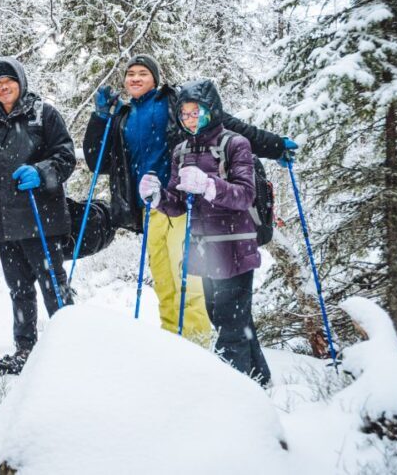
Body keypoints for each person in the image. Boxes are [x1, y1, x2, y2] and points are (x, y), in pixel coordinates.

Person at [83, 54, 297, 343]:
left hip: (184, 204)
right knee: (164, 283)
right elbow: (97, 162)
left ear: (156, 79)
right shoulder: (122, 117)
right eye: (130, 73)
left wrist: (274, 146)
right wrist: (100, 119)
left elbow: (227, 125)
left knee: (190, 283)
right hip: (151, 208)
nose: (135, 78)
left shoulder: (173, 104)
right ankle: (174, 346)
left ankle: (197, 349)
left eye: (143, 73)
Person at [143, 79, 272, 386]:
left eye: (195, 112)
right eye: (184, 114)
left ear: (210, 110)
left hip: (235, 245)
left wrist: (209, 185)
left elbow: (245, 195)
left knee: (231, 324)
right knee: (222, 317)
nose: (189, 119)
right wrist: (159, 196)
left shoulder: (235, 143)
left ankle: (235, 392)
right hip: (202, 247)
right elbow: (179, 204)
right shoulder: (181, 151)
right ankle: (260, 379)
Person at [0, 57, 76, 375]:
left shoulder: (44, 114)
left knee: (53, 285)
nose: (3, 87)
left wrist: (42, 171)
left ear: (21, 82)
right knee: (19, 289)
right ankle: (26, 350)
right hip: (4, 221)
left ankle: (70, 348)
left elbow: (66, 156)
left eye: (8, 80)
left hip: (42, 218)